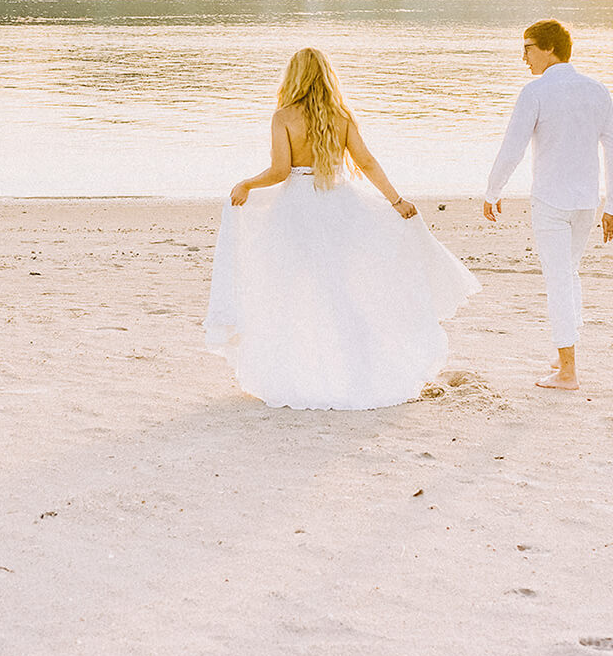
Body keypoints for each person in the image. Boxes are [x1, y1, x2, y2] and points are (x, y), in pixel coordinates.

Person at [204, 48, 480, 410]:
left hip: (297, 210)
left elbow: (280, 172)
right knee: (340, 289)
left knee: (291, 291)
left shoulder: (283, 117)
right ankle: (357, 369)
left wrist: (245, 184)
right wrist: (396, 200)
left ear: (293, 77)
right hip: (340, 206)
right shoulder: (341, 115)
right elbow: (365, 161)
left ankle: (298, 372)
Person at [482, 18, 613, 392]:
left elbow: (513, 148)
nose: (523, 57)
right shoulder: (597, 91)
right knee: (569, 272)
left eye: (527, 47)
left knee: (559, 279)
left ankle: (567, 371)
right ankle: (565, 355)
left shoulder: (535, 92)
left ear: (547, 48)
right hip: (586, 204)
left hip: (550, 201)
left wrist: (492, 191)